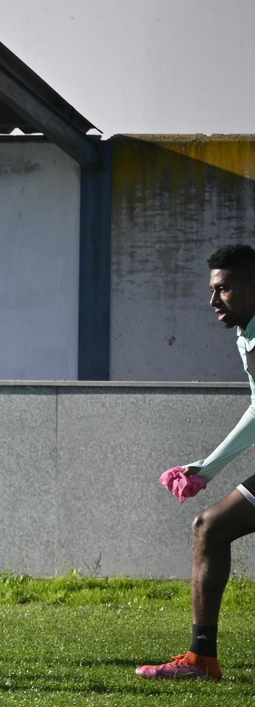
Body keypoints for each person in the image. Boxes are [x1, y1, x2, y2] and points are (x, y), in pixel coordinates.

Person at [138, 244, 255, 681]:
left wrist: (208, 469)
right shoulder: (248, 334)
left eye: (222, 289)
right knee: (209, 527)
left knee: (209, 527)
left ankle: (202, 660)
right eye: (212, 289)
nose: (212, 301)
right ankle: (201, 659)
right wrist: (205, 468)